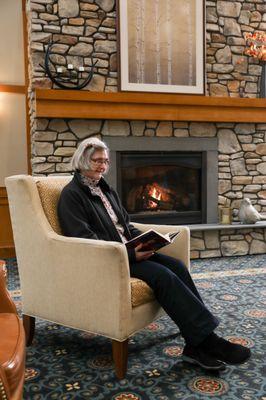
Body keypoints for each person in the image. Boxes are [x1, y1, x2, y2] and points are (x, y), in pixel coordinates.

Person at [57, 137, 251, 372]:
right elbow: (84, 240)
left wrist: (148, 240)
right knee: (163, 276)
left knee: (177, 267)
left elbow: (125, 226)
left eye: (106, 162)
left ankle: (195, 346)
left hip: (129, 249)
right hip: (110, 259)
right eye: (98, 161)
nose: (103, 166)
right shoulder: (72, 195)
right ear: (82, 160)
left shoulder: (107, 190)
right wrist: (129, 253)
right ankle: (209, 342)